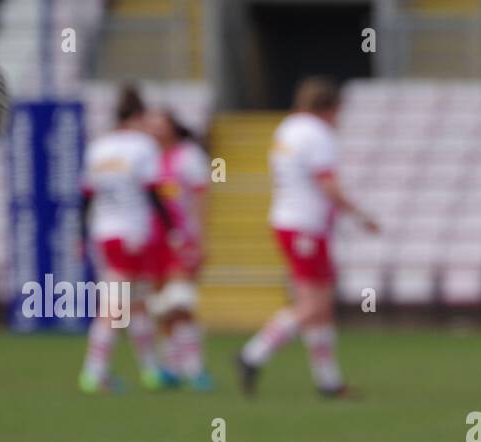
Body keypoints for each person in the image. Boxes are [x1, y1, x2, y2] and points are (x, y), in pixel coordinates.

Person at [237, 76, 378, 399]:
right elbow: (327, 183)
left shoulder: (287, 128)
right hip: (305, 225)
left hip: (289, 220)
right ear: (327, 108)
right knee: (313, 306)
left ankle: (328, 380)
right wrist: (360, 216)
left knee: (320, 306)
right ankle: (253, 353)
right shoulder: (317, 134)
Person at [79, 85, 174, 393]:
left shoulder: (98, 147)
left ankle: (151, 371)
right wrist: (171, 228)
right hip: (131, 231)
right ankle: (94, 373)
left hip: (103, 231)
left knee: (136, 302)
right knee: (115, 306)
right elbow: (151, 191)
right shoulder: (142, 146)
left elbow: (87, 197)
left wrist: (80, 235)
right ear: (138, 115)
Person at [146, 109, 211, 390]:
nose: (157, 131)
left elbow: (201, 196)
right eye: (153, 126)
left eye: (162, 125)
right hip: (151, 241)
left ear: (173, 128)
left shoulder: (189, 155)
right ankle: (172, 367)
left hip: (181, 239)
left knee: (181, 303)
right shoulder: (145, 156)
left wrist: (199, 238)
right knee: (161, 308)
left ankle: (195, 368)